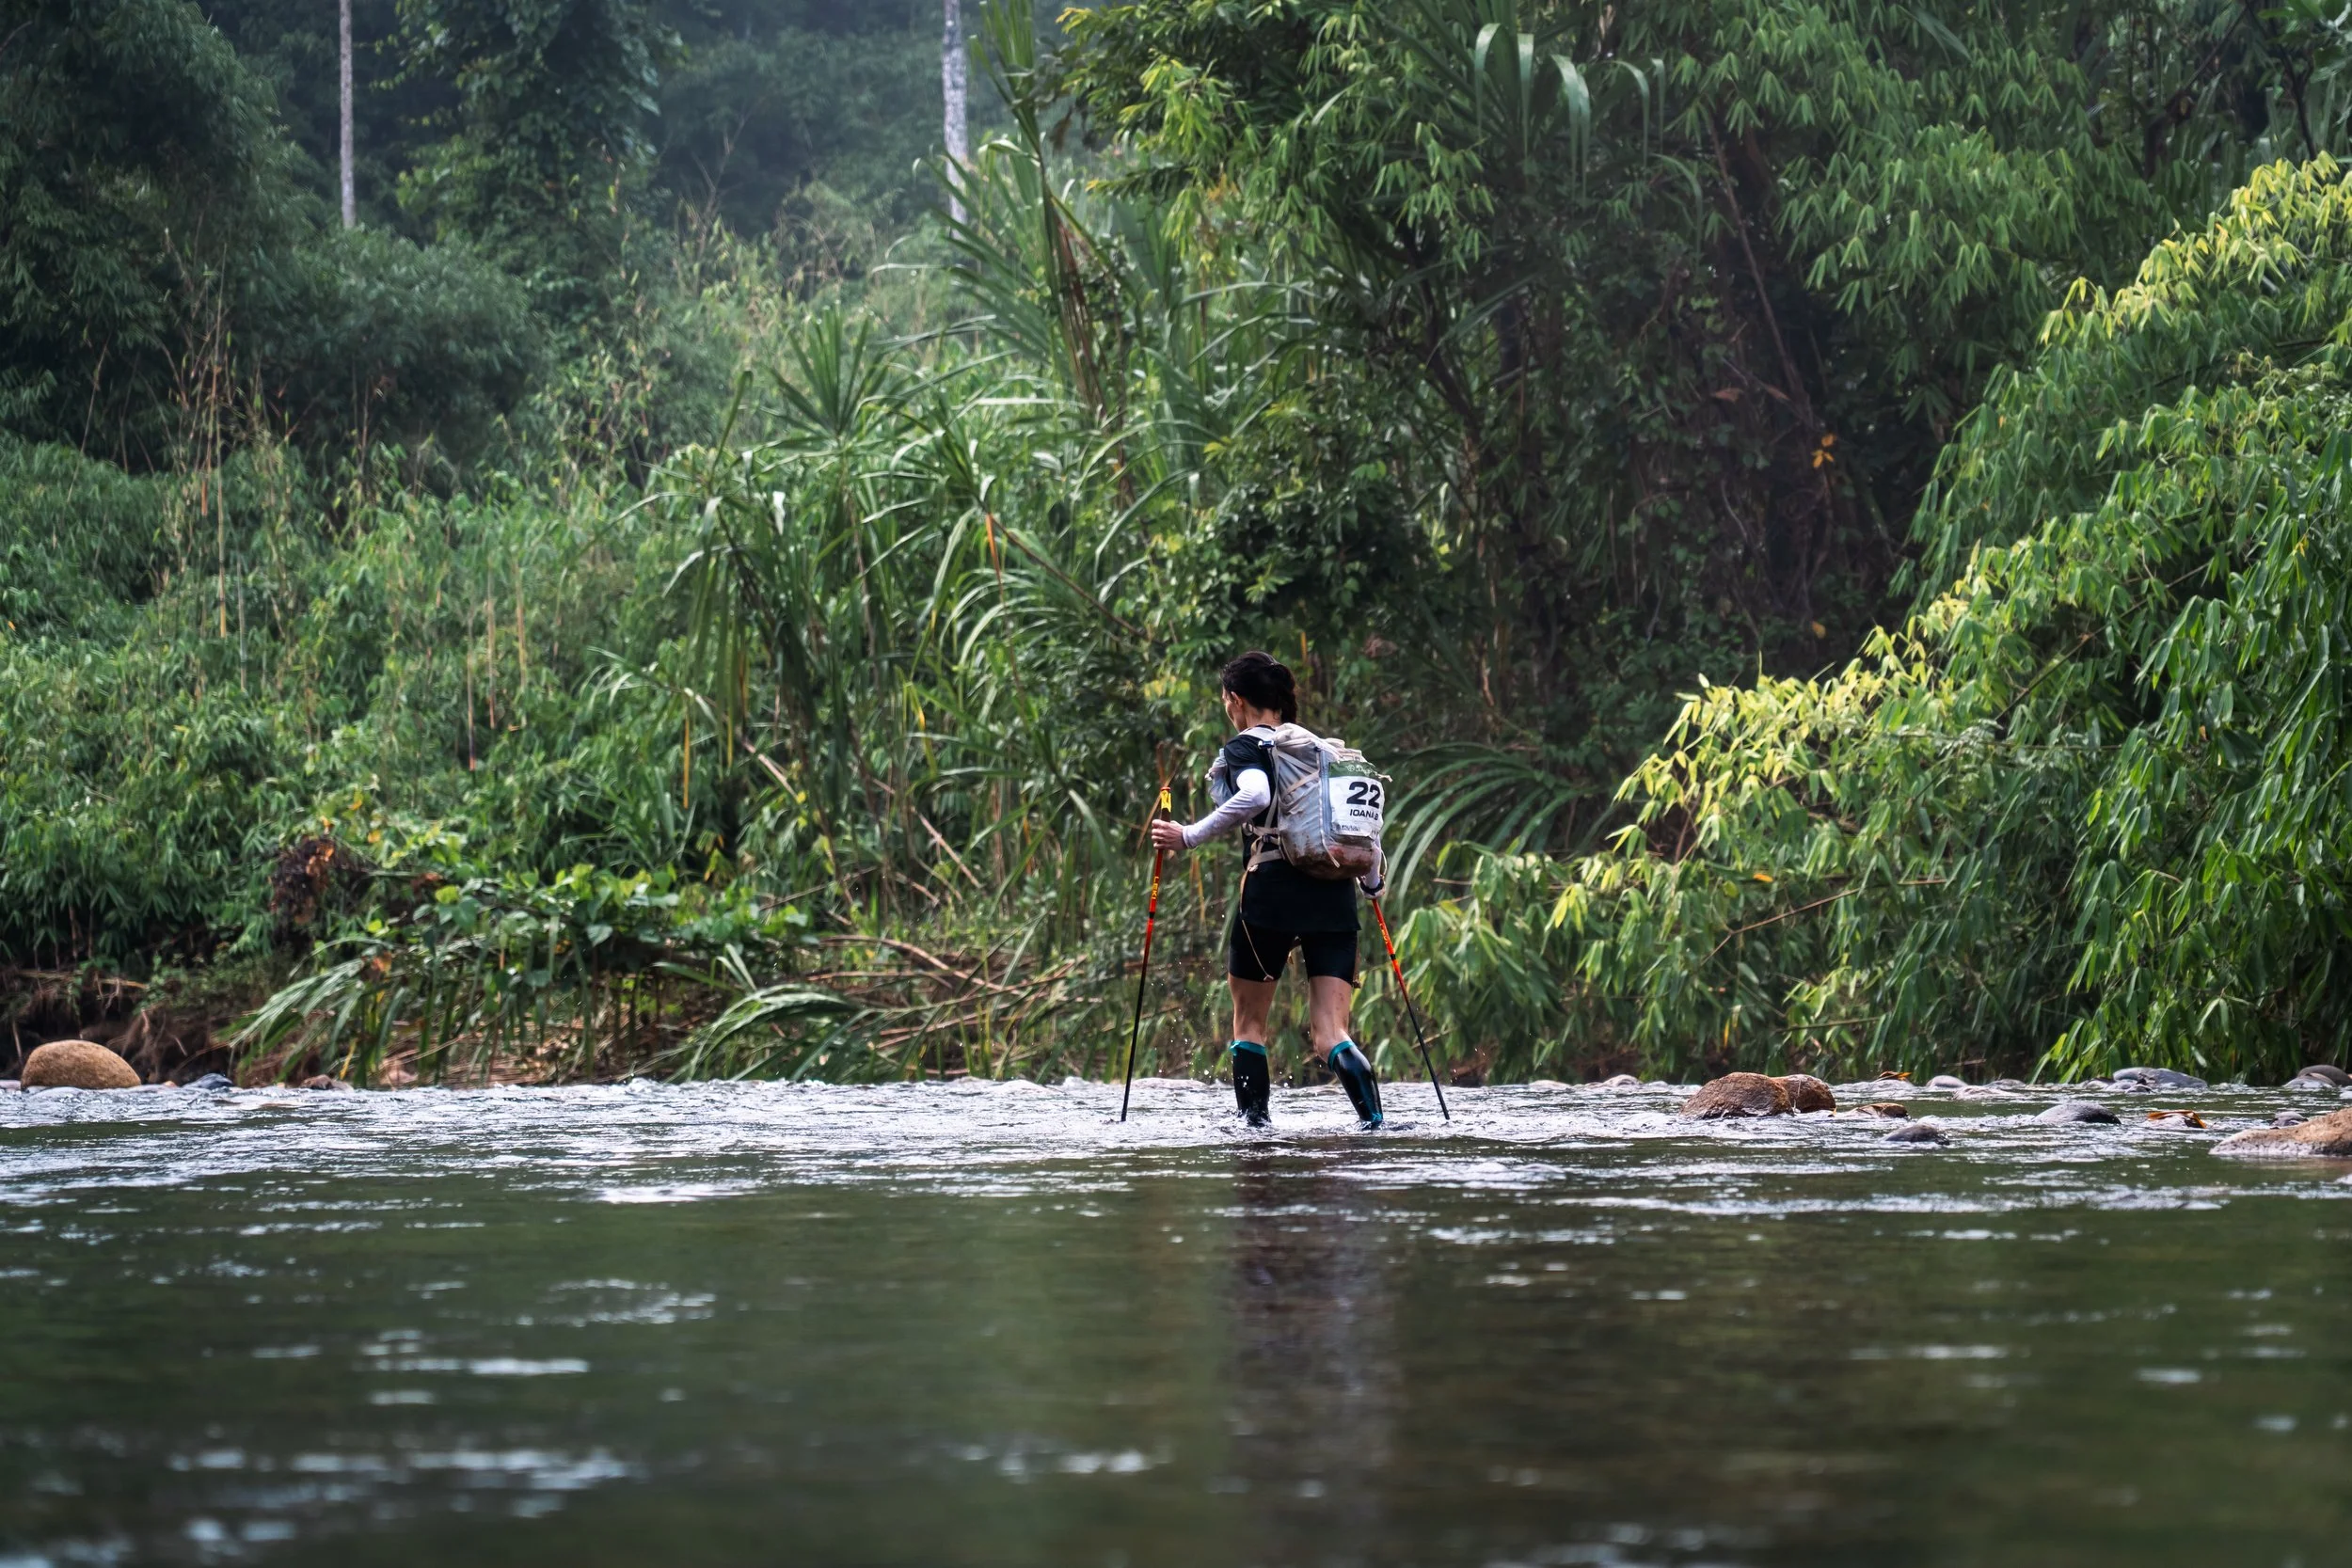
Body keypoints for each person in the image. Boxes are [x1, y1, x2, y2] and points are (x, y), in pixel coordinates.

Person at [1149, 651, 1385, 1127]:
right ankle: (1375, 1125)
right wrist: (1373, 885)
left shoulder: (1245, 747)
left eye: (1225, 700)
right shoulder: (1323, 751)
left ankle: (1255, 1134)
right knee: (1332, 1034)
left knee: (1250, 1024)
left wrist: (1187, 836)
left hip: (1271, 895)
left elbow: (1255, 794)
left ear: (1236, 700)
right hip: (1334, 897)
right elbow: (1361, 829)